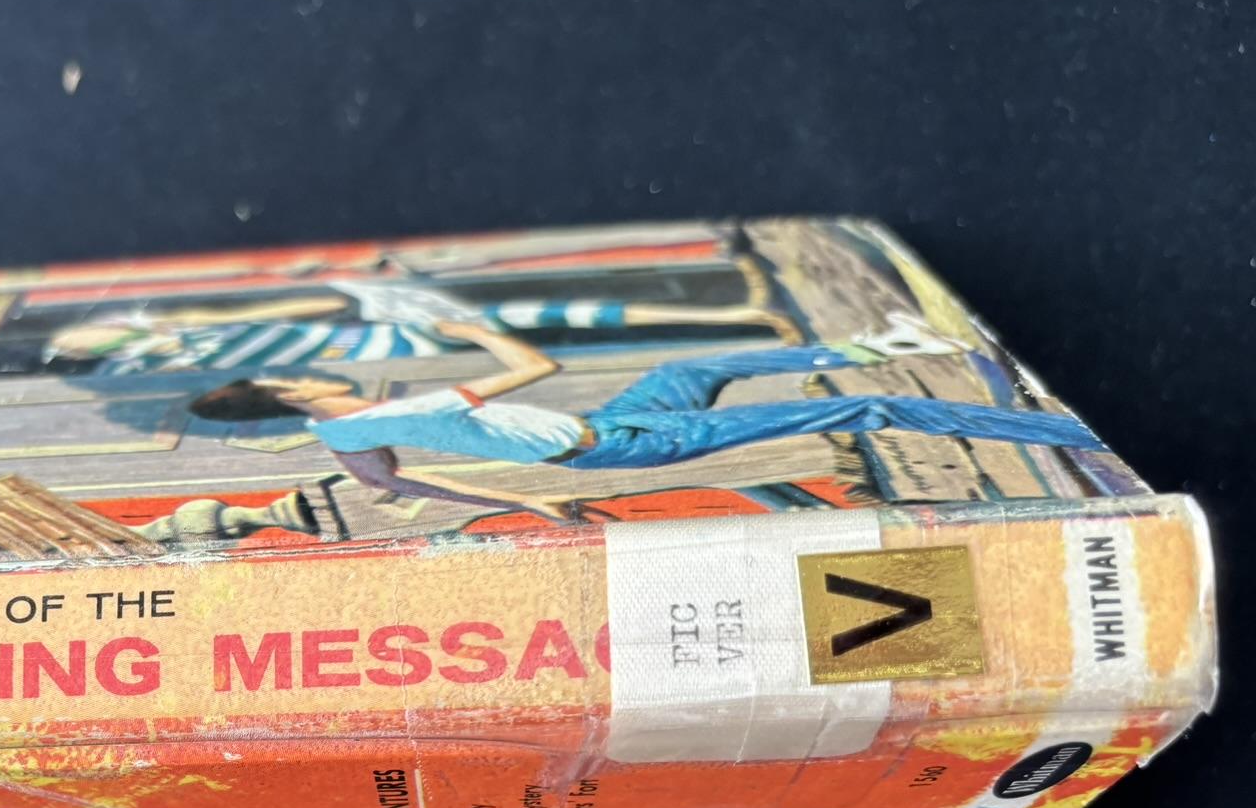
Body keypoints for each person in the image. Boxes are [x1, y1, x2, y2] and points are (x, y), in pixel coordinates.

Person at [184, 318, 1104, 519]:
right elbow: (536, 368)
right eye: (294, 376)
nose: (309, 373)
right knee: (873, 412)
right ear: (290, 392)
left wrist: (523, 501)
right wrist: (477, 334)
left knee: (688, 366)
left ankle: (873, 343)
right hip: (630, 441)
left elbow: (392, 481)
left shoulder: (342, 436)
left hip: (603, 425)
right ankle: (1073, 430)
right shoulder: (404, 406)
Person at [48, 288, 779, 374]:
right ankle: (732, 327)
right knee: (553, 329)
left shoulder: (172, 331)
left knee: (555, 318)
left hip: (380, 344)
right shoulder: (147, 366)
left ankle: (731, 319)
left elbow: (307, 309)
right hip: (380, 359)